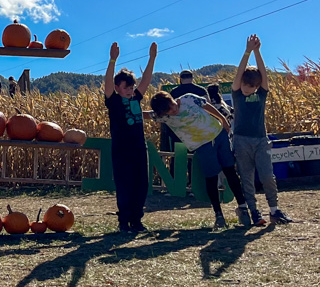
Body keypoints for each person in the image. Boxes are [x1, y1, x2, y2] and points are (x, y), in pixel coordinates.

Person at [150, 85, 249, 229]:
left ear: (172, 99)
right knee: (211, 178)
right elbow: (145, 114)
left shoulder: (188, 98)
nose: (173, 111)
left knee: (230, 171)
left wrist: (222, 119)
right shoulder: (163, 116)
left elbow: (207, 106)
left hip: (218, 135)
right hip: (202, 146)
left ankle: (242, 207)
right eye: (169, 111)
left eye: (172, 106)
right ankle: (218, 214)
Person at [230, 34, 292, 226]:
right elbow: (239, 73)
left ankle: (274, 210)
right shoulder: (237, 93)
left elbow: (263, 74)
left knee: (267, 176)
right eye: (245, 85)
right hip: (241, 140)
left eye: (251, 86)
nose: (247, 89)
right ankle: (254, 212)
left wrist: (258, 51)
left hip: (260, 139)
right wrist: (247, 51)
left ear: (256, 86)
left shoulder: (261, 94)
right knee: (247, 178)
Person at [104, 41, 158, 232]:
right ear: (118, 87)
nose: (130, 90)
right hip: (121, 148)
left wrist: (152, 58)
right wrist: (112, 60)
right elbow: (108, 82)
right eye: (126, 87)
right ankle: (124, 220)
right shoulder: (113, 101)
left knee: (141, 183)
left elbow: (146, 80)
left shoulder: (136, 98)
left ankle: (136, 219)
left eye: (131, 87)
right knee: (124, 183)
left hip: (138, 147)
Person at [160, 70, 209, 155]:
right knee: (197, 158)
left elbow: (168, 110)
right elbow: (208, 107)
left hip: (180, 131)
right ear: (192, 78)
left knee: (179, 157)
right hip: (199, 129)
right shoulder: (201, 90)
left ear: (181, 79)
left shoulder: (174, 92)